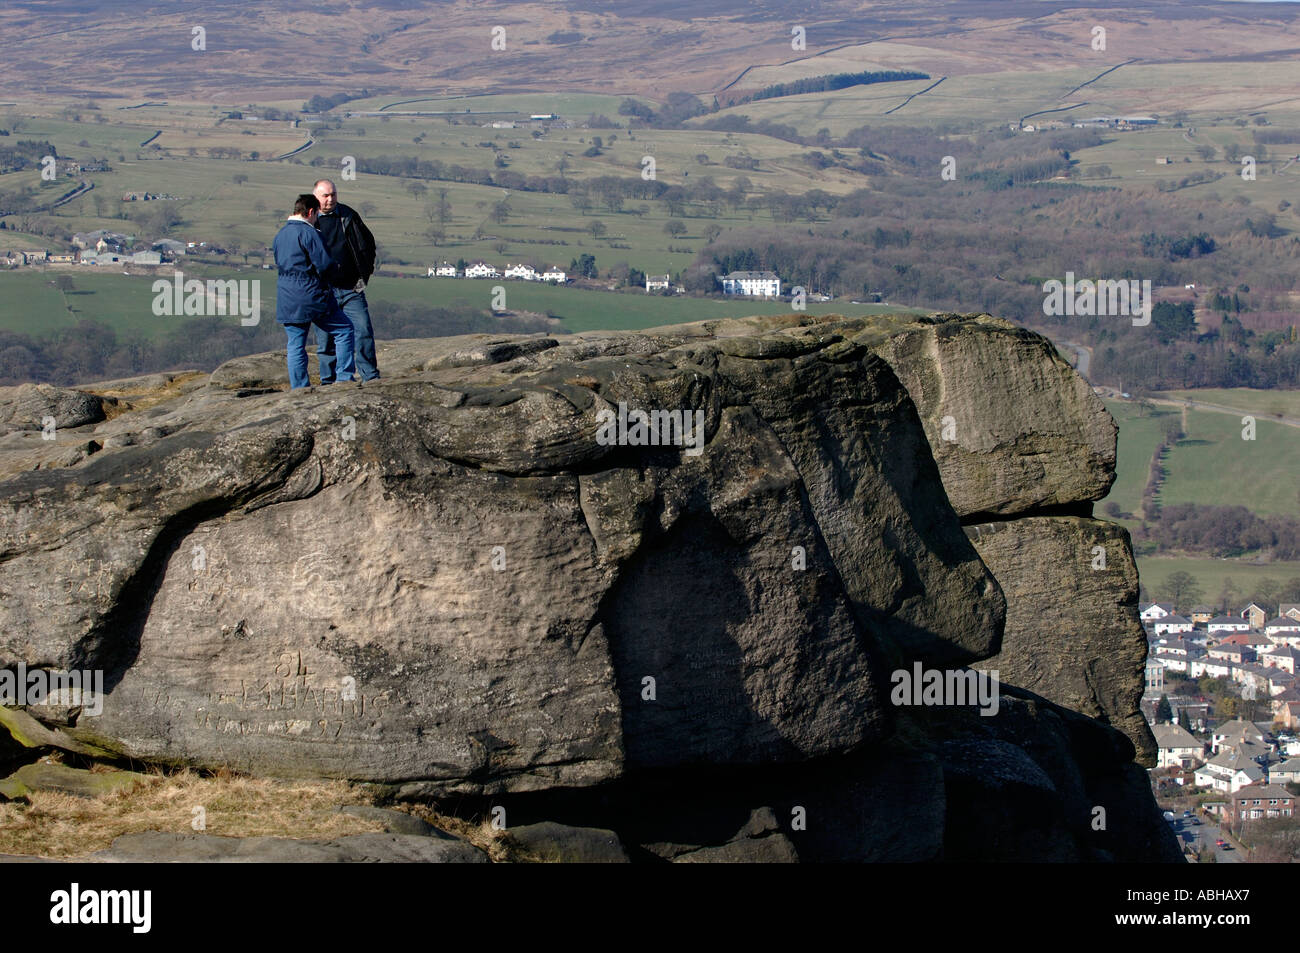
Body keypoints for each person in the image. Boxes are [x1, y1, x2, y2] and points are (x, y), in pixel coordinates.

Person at [272, 193, 356, 389]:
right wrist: (338, 272)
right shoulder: (310, 233)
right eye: (316, 214)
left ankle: (299, 387)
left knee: (295, 344)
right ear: (310, 212)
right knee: (344, 330)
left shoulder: (280, 235)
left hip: (286, 297)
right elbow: (324, 265)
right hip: (312, 294)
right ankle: (344, 378)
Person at [312, 178, 380, 381]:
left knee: (363, 331)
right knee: (325, 340)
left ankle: (370, 377)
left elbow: (367, 245)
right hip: (323, 291)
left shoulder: (348, 215)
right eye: (325, 195)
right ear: (316, 196)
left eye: (333, 194)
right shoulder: (309, 221)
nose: (330, 199)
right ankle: (329, 381)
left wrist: (363, 275)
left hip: (351, 288)